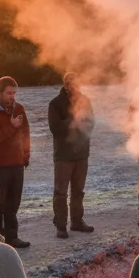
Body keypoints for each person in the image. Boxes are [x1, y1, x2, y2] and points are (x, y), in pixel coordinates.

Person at [0, 77, 31, 249]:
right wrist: (11, 126)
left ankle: (12, 237)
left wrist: (26, 154)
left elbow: (25, 132)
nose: (12, 96)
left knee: (13, 203)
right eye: (9, 93)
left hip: (17, 163)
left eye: (14, 93)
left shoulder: (19, 108)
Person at [48, 73, 95, 238]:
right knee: (61, 192)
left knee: (78, 190)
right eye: (71, 85)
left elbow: (92, 123)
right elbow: (54, 128)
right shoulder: (55, 104)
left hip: (82, 153)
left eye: (77, 84)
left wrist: (84, 123)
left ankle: (77, 222)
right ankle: (61, 226)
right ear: (65, 85)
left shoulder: (85, 101)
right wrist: (73, 122)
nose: (75, 88)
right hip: (63, 155)